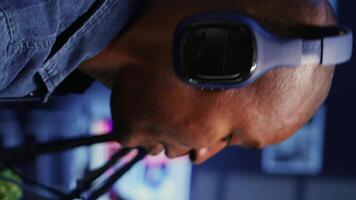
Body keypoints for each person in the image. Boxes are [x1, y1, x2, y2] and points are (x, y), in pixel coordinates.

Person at [0, 0, 348, 164]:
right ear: (215, 51)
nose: (201, 156)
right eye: (229, 138)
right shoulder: (17, 33)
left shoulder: (56, 53)